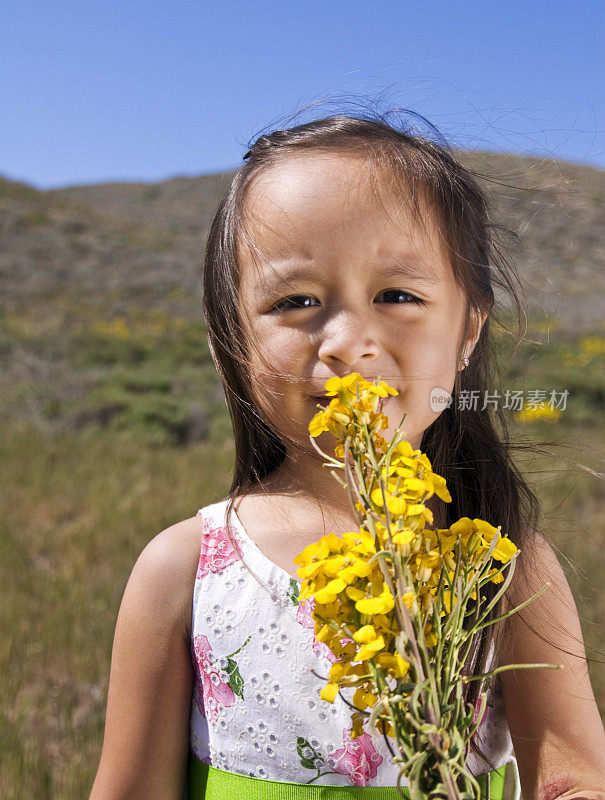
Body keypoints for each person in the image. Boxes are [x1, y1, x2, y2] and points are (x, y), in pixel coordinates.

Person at [89, 113, 605, 800]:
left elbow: (573, 776)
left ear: (467, 333)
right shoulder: (185, 569)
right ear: (231, 345)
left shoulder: (499, 562)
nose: (348, 341)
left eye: (397, 295)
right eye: (295, 301)